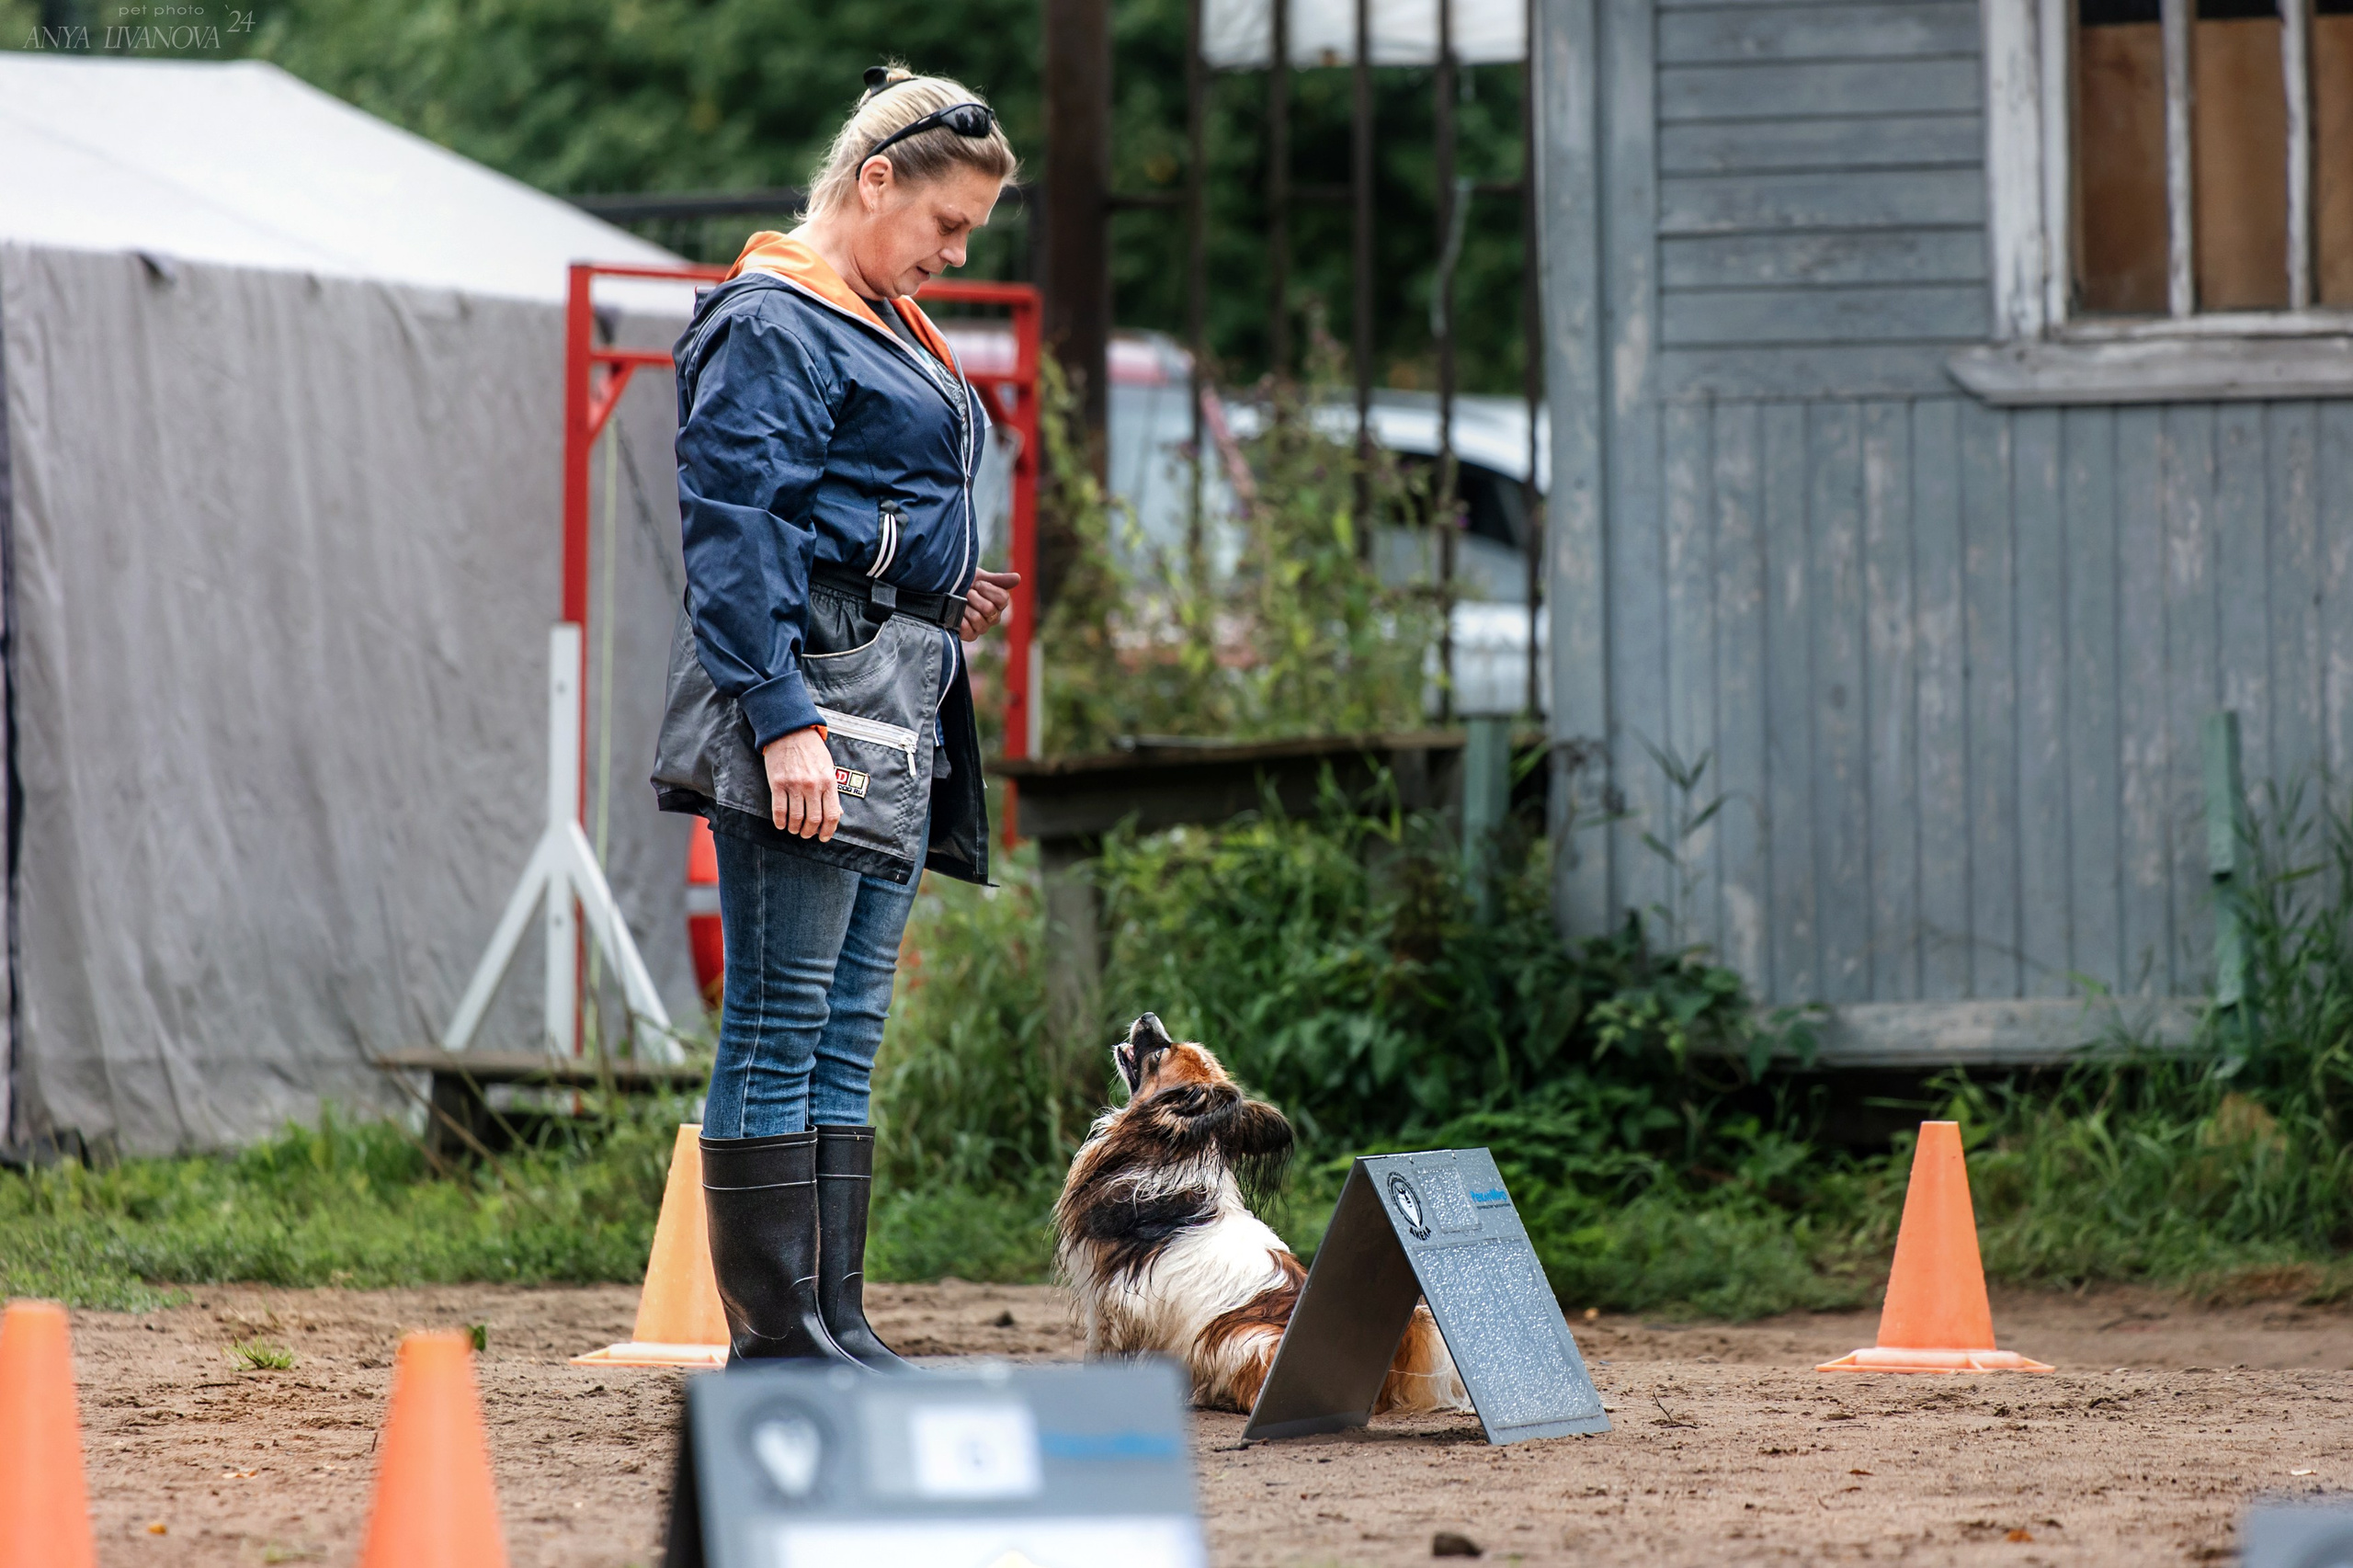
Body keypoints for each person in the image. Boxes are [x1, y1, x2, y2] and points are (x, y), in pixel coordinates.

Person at [652, 64, 1019, 1368]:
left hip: (889, 702)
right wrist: (777, 714)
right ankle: (776, 1338)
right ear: (875, 183)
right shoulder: (774, 318)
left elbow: (848, 507)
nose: (953, 253)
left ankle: (835, 1318)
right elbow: (737, 532)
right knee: (780, 1011)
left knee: (851, 1019)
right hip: (813, 709)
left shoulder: (873, 314)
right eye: (945, 225)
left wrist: (934, 578)